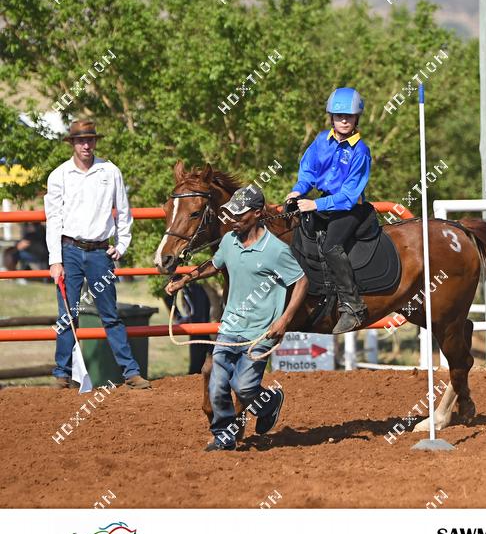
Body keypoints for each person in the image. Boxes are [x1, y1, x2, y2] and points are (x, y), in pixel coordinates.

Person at [166, 185, 309, 452]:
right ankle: (223, 435)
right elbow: (214, 264)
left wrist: (284, 320)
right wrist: (185, 279)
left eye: (239, 214)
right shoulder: (229, 241)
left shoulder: (276, 250)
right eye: (231, 213)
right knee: (217, 384)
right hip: (230, 326)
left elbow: (301, 281)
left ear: (257, 213)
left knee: (243, 387)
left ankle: (269, 402)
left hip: (261, 332)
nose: (233, 219)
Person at [43, 119, 149, 390]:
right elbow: (53, 219)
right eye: (81, 140)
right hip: (69, 251)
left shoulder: (110, 171)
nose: (86, 145)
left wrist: (122, 245)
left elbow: (124, 211)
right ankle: (62, 374)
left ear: (95, 142)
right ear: (73, 144)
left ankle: (130, 372)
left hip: (101, 252)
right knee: (68, 315)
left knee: (109, 314)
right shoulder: (59, 175)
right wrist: (55, 260)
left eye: (90, 140)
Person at [284, 87, 373, 334]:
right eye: (339, 116)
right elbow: (308, 173)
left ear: (356, 118)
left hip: (350, 209)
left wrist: (315, 204)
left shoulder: (361, 151)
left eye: (349, 116)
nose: (344, 120)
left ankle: (353, 307)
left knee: (331, 246)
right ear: (331, 118)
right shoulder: (321, 140)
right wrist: (297, 191)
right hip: (325, 203)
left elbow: (349, 196)